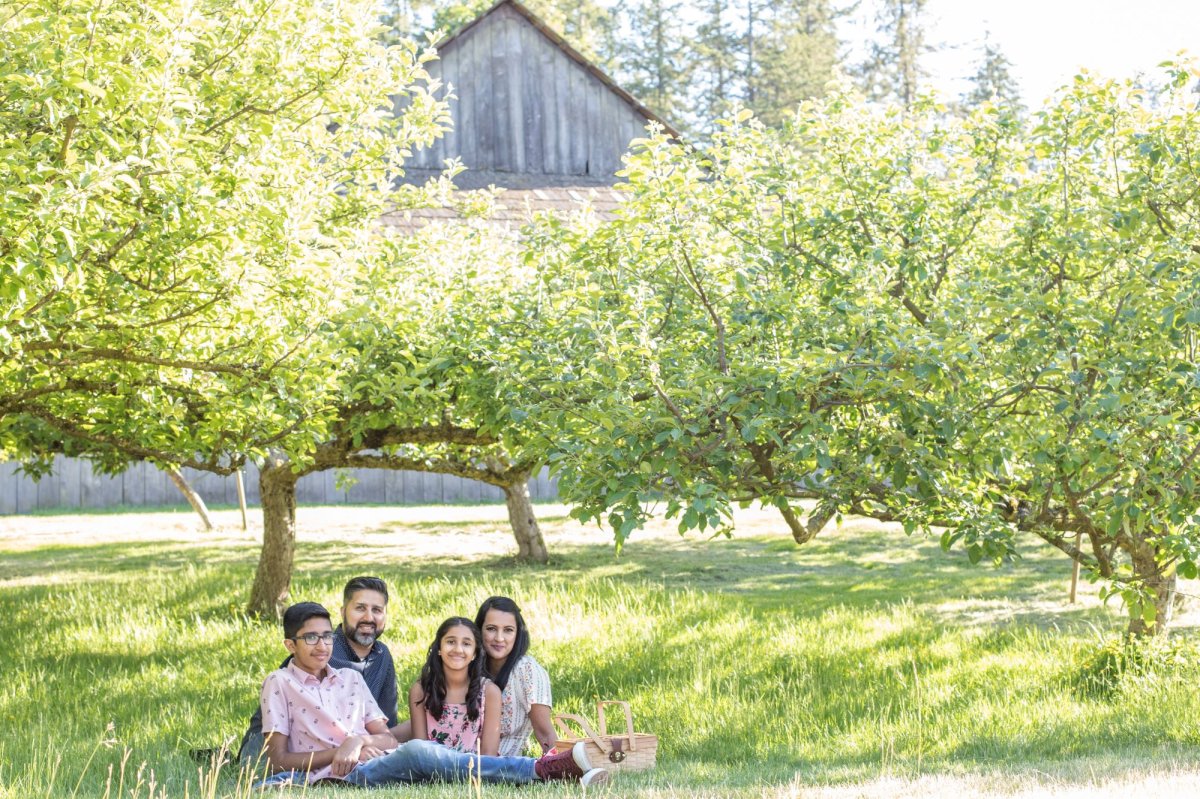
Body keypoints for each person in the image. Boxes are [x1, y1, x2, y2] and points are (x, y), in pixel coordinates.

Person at [255, 602, 608, 789]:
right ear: (290, 644)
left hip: (374, 762)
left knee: (423, 754)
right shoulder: (280, 683)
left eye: (326, 636)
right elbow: (277, 761)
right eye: (310, 638)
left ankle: (553, 771)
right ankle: (542, 770)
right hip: (338, 775)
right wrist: (344, 749)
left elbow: (387, 739)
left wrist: (360, 742)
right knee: (424, 752)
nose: (322, 645)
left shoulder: (348, 678)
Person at [238, 576, 397, 766]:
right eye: (360, 608)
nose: (369, 618)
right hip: (278, 748)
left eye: (377, 610)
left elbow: (386, 731)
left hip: (352, 750)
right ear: (343, 612)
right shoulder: (321, 655)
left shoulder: (382, 655)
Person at [475, 596, 556, 756]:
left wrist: (562, 769)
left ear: (518, 634)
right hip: (460, 752)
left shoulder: (527, 670)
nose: (499, 638)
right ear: (479, 630)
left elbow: (545, 733)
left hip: (500, 763)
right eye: (491, 629)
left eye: (508, 630)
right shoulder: (471, 664)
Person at [409, 617, 501, 754]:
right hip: (432, 769)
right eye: (451, 642)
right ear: (439, 648)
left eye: (466, 644)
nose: (458, 649)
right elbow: (420, 752)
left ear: (475, 653)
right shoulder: (421, 690)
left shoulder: (489, 692)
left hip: (474, 771)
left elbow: (489, 755)